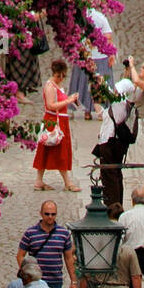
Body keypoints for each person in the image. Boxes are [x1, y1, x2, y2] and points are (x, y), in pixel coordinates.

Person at [17, 201, 78, 288]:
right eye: (47, 214)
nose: (50, 217)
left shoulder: (63, 234)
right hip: (35, 281)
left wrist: (73, 281)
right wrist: (26, 274)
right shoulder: (30, 233)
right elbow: (20, 256)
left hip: (55, 281)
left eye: (53, 214)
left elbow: (69, 258)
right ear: (41, 213)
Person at [32, 59, 81, 193]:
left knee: (48, 150)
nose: (62, 78)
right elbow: (51, 105)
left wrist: (69, 99)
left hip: (59, 120)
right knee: (58, 151)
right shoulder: (50, 86)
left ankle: (39, 180)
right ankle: (67, 182)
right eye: (62, 75)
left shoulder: (56, 86)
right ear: (58, 74)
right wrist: (68, 100)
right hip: (53, 121)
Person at [93, 76, 137, 209]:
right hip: (111, 143)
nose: (115, 91)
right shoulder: (121, 103)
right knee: (114, 175)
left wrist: (98, 79)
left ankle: (112, 208)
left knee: (110, 177)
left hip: (110, 144)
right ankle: (115, 206)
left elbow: (107, 92)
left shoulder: (119, 103)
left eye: (117, 89)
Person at [68, 8, 116, 119]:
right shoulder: (100, 17)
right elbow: (108, 36)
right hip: (100, 56)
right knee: (101, 84)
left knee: (83, 83)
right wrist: (112, 54)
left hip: (83, 55)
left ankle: (87, 112)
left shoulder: (78, 18)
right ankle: (101, 110)